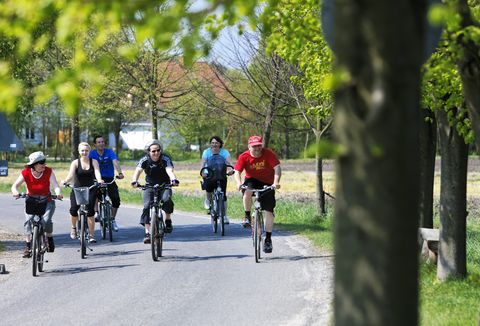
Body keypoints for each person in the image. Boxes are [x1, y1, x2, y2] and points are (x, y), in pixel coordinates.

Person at [234, 135, 281, 253]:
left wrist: (276, 182)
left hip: (267, 182)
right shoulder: (244, 156)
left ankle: (268, 240)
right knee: (248, 190)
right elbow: (237, 171)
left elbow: (277, 168)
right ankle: (247, 216)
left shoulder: (268, 153)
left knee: (269, 211)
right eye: (254, 146)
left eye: (259, 145)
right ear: (249, 146)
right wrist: (239, 183)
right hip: (252, 180)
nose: (257, 148)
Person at [11, 152, 64, 258]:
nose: (44, 164)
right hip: (31, 201)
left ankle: (49, 238)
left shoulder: (48, 171)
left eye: (44, 162)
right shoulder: (26, 172)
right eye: (41, 162)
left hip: (47, 200)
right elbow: (14, 186)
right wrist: (15, 192)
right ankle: (28, 246)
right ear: (34, 164)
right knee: (28, 221)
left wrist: (58, 193)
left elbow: (56, 185)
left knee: (46, 221)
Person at [131, 139, 180, 244]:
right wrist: (134, 181)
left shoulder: (165, 159)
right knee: (146, 206)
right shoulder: (144, 160)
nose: (156, 153)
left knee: (167, 200)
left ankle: (167, 220)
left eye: (158, 150)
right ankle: (148, 233)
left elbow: (169, 170)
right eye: (153, 151)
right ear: (148, 152)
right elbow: (138, 170)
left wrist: (173, 179)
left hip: (164, 185)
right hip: (149, 186)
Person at [63, 142, 103, 243]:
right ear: (79, 151)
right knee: (73, 209)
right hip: (77, 189)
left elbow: (97, 172)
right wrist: (65, 181)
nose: (84, 152)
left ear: (89, 151)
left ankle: (91, 235)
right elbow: (71, 174)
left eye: (86, 150)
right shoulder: (75, 163)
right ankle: (73, 228)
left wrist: (99, 180)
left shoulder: (93, 161)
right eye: (82, 150)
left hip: (90, 188)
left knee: (90, 212)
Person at [89, 135, 124, 231]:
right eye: (99, 142)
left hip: (109, 178)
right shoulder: (92, 154)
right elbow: (88, 165)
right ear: (95, 144)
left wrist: (120, 173)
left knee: (116, 199)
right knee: (95, 192)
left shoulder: (109, 152)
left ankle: (112, 219)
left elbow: (115, 162)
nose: (101, 144)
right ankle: (96, 212)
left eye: (102, 142)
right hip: (97, 178)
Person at [201, 135, 233, 224]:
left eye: (216, 143)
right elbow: (203, 162)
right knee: (208, 189)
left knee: (224, 196)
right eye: (213, 143)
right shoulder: (206, 152)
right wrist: (202, 171)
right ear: (210, 144)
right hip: (209, 174)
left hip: (221, 174)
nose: (214, 144)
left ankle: (225, 216)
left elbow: (230, 162)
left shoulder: (224, 152)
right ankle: (208, 199)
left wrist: (231, 169)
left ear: (220, 144)